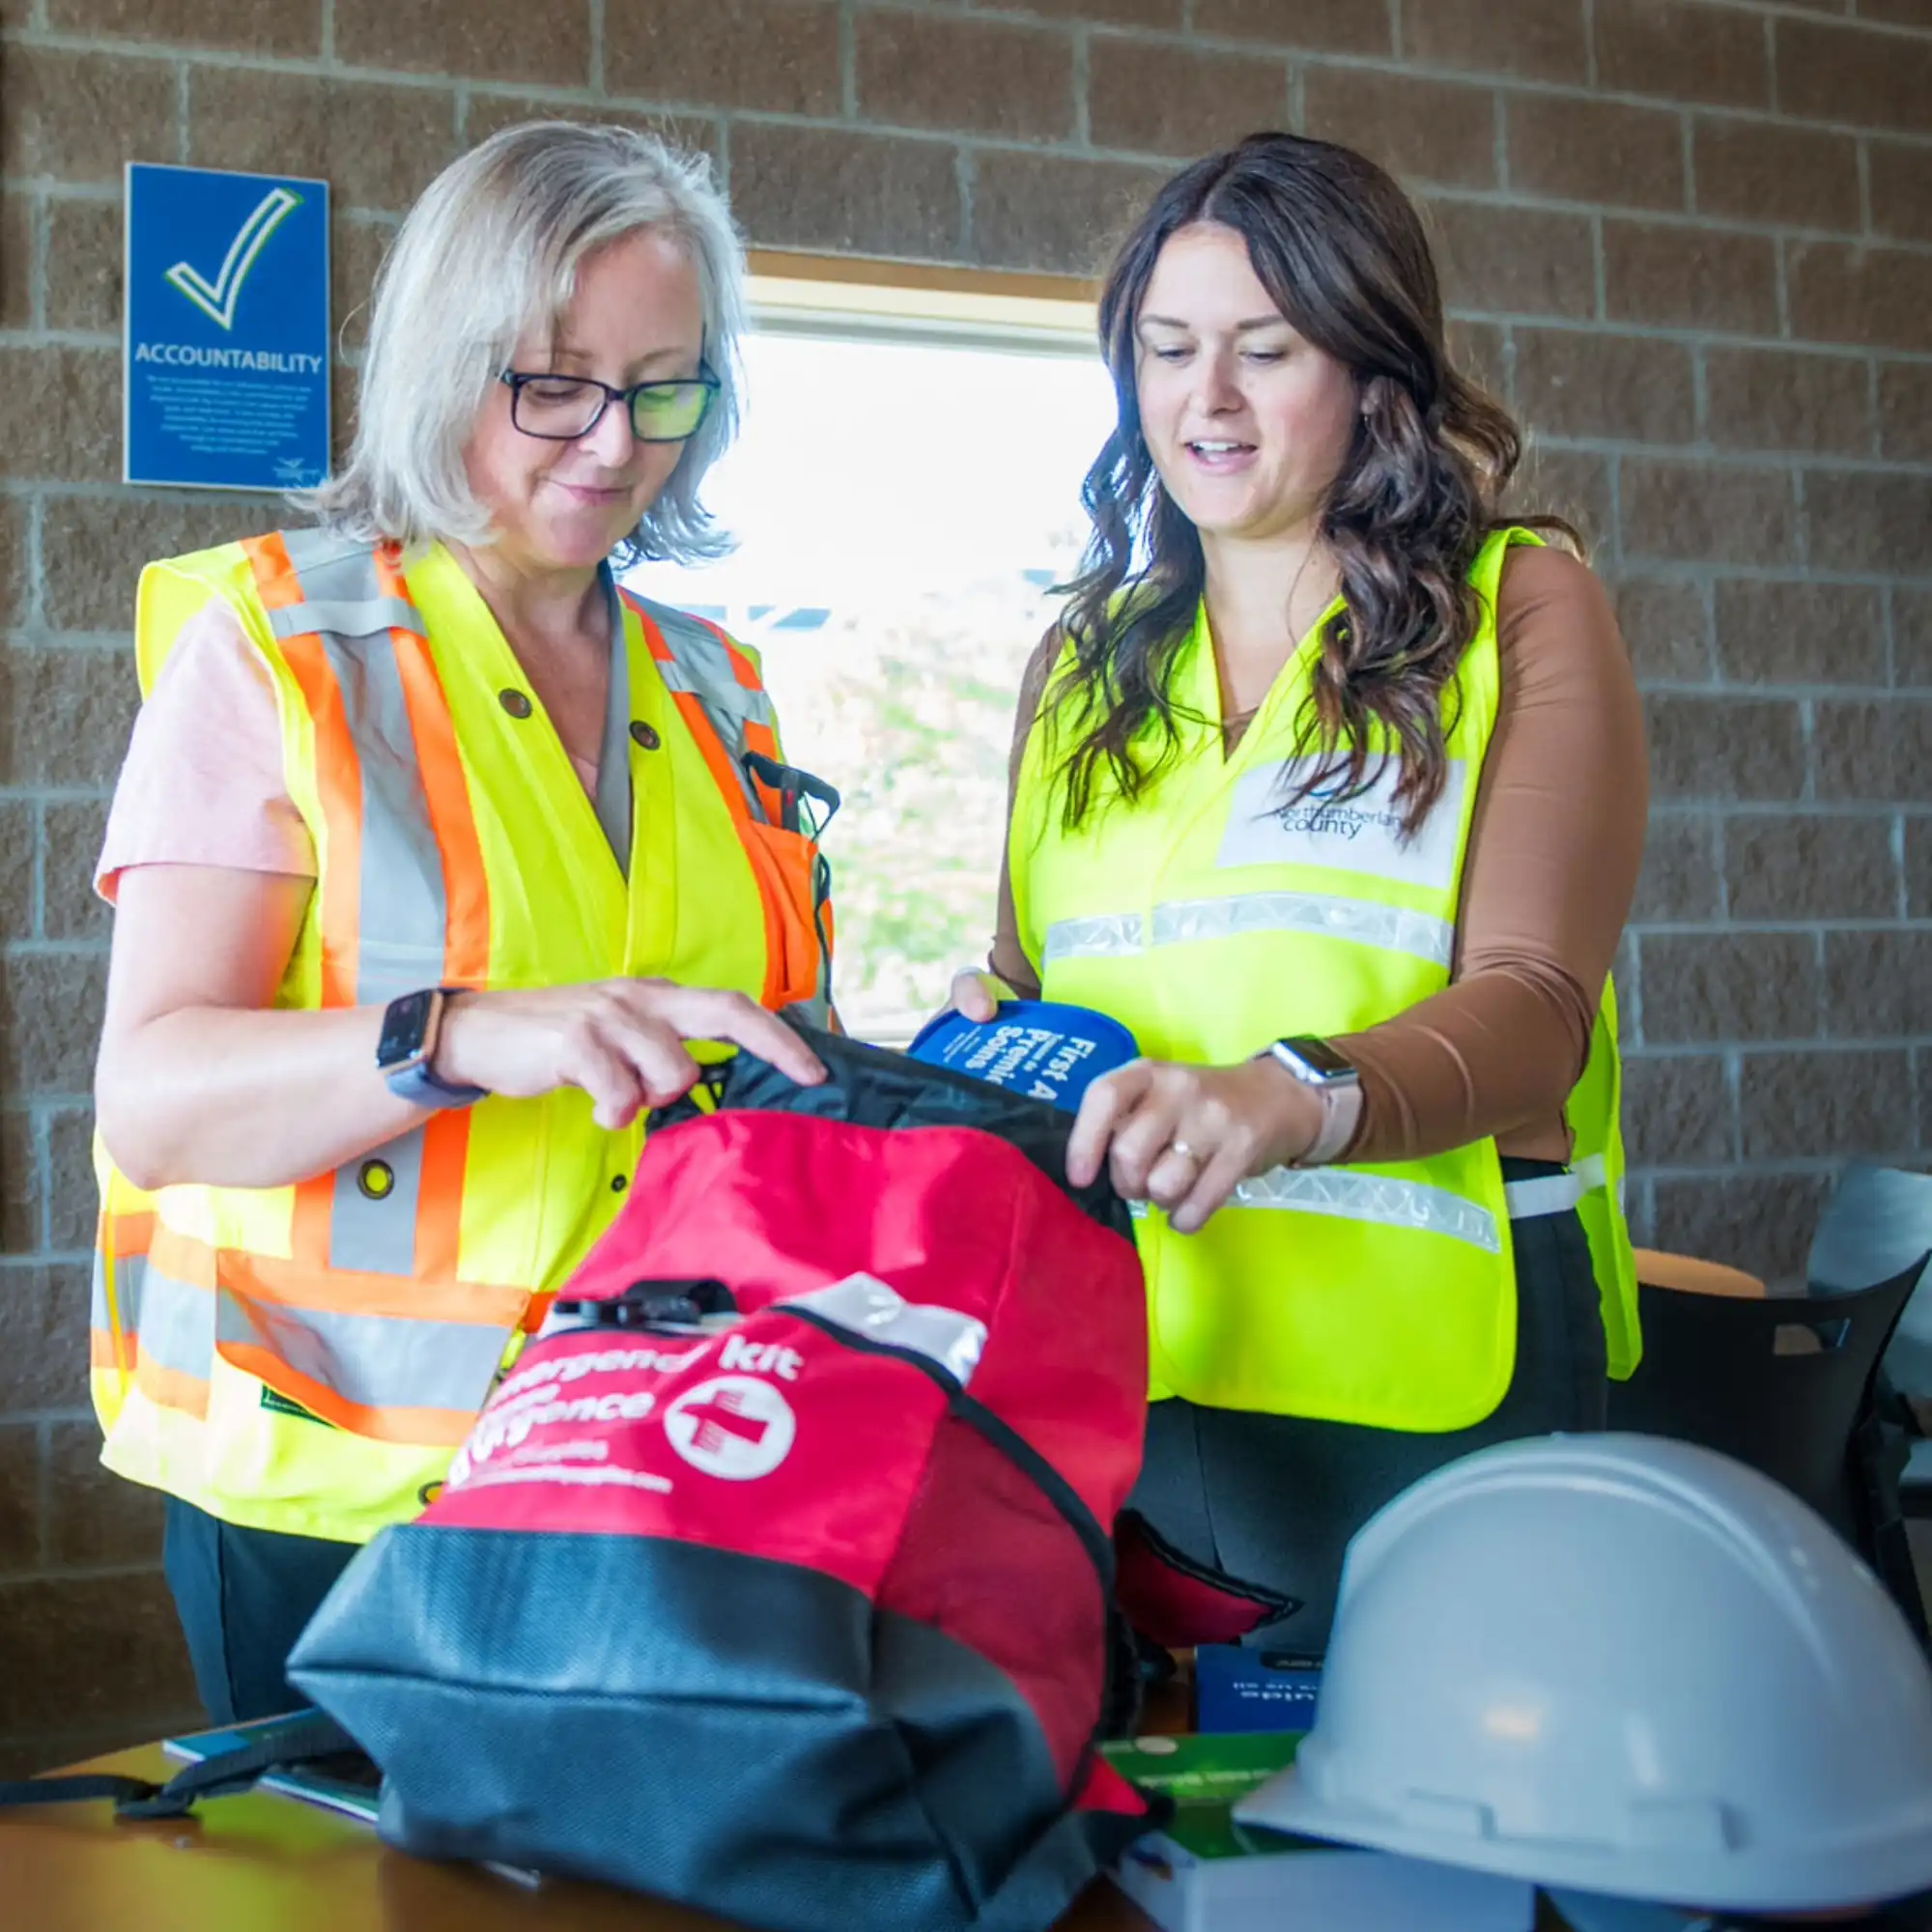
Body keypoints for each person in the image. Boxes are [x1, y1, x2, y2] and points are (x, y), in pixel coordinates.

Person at [88, 122, 835, 1723]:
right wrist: (467, 1035)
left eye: (664, 389)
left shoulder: (721, 689)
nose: (613, 443)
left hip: (643, 1469)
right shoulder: (278, 649)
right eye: (554, 384)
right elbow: (153, 1101)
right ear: (446, 365)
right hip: (330, 1487)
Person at [953, 132, 1647, 1650]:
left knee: (1432, 1783)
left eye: (1264, 351)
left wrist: (1288, 1096)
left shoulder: (1517, 610)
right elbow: (1029, 977)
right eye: (1168, 350)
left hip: (1438, 1379)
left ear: (1370, 371)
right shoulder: (1082, 666)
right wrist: (985, 1031)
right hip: (1141, 1376)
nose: (1205, 399)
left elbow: (1538, 1012)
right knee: (1174, 1787)